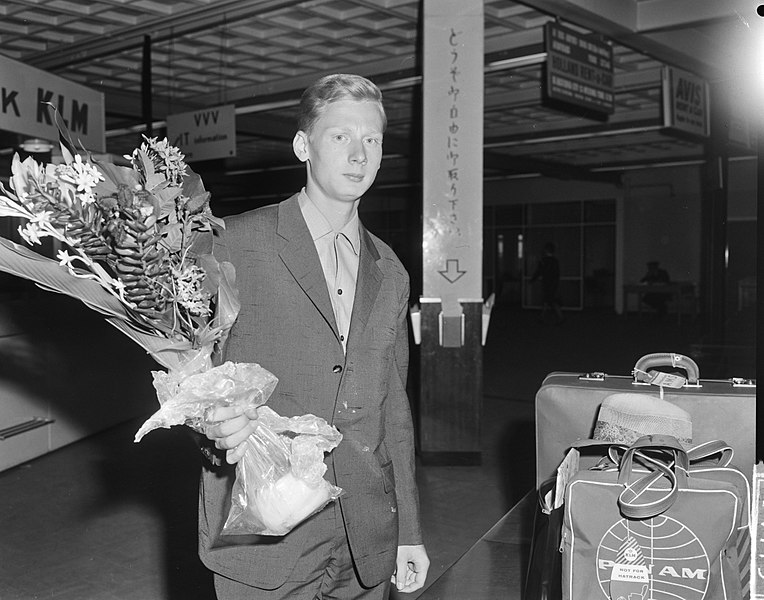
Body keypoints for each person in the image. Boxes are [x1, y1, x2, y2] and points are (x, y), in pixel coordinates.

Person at [199, 74, 429, 599]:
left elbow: (393, 407)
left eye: (371, 140)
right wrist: (213, 421)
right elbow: (191, 372)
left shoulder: (389, 270)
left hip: (364, 534)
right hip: (263, 527)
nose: (358, 154)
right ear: (303, 145)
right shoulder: (235, 244)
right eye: (340, 136)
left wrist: (408, 532)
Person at [530, 242, 564, 324]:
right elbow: (557, 274)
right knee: (548, 301)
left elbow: (539, 272)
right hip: (553, 284)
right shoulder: (555, 261)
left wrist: (532, 280)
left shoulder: (544, 261)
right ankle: (543, 317)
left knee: (550, 301)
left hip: (547, 284)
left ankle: (560, 317)